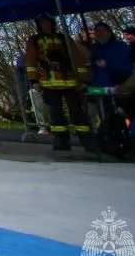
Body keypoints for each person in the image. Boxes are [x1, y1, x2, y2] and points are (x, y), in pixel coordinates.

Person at [25, 14, 93, 152]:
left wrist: (84, 79)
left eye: (47, 22)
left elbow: (77, 59)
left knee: (77, 112)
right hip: (48, 82)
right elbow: (30, 62)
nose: (45, 25)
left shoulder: (63, 38)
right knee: (55, 114)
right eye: (42, 23)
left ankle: (87, 141)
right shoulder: (34, 40)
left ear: (52, 23)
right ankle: (61, 141)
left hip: (69, 80)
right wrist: (34, 80)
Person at [88, 21, 133, 88]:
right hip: (98, 88)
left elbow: (129, 67)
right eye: (97, 31)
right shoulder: (93, 49)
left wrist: (108, 64)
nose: (99, 33)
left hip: (118, 87)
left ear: (109, 33)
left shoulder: (121, 47)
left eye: (102, 31)